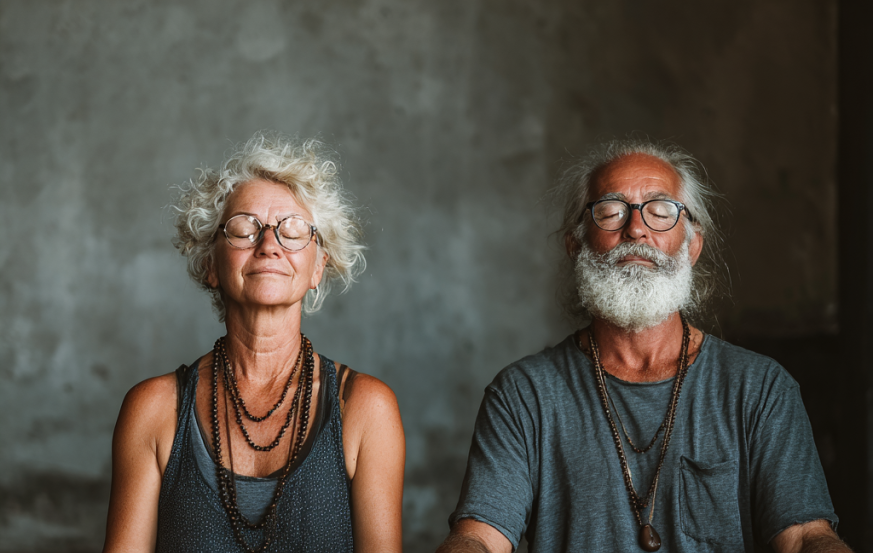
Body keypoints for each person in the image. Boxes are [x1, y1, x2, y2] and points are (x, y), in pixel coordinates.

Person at [437, 139, 849, 553]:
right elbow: (479, 538)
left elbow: (804, 538)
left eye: (661, 212)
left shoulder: (760, 388)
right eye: (611, 211)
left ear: (691, 245)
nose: (636, 229)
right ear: (576, 244)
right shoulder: (524, 395)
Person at [103, 131, 405, 553]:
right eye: (244, 229)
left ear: (318, 266)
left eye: (293, 230)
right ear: (210, 265)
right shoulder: (153, 410)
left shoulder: (365, 409)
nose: (269, 245)